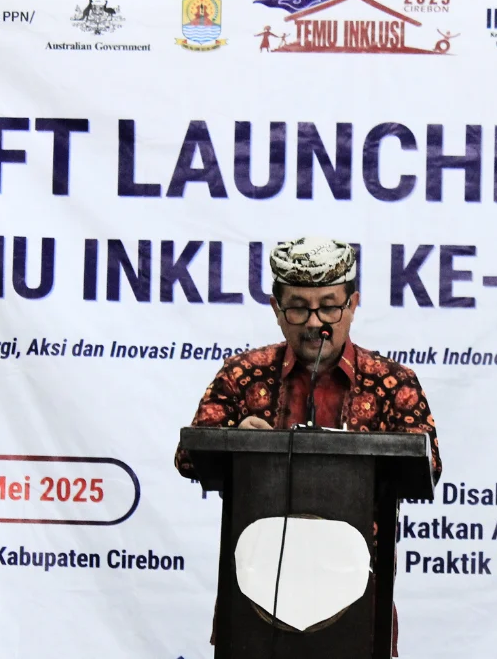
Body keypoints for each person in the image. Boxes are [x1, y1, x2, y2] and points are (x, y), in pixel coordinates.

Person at [174, 236, 442, 657]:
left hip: (357, 600)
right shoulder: (243, 374)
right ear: (276, 309)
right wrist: (238, 436)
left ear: (353, 305)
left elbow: (429, 465)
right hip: (255, 595)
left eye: (329, 307)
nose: (315, 322)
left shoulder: (392, 382)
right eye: (299, 308)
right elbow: (189, 456)